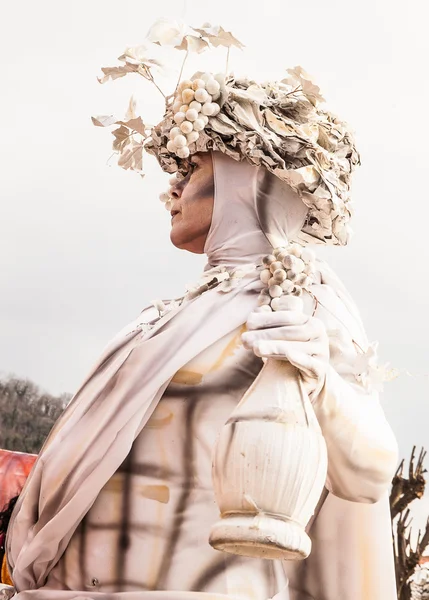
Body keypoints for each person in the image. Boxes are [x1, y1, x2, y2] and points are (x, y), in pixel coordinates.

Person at [2, 27, 399, 600]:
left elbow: (370, 470)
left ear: (249, 179)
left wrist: (324, 383)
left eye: (192, 168)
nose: (173, 186)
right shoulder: (167, 316)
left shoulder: (299, 296)